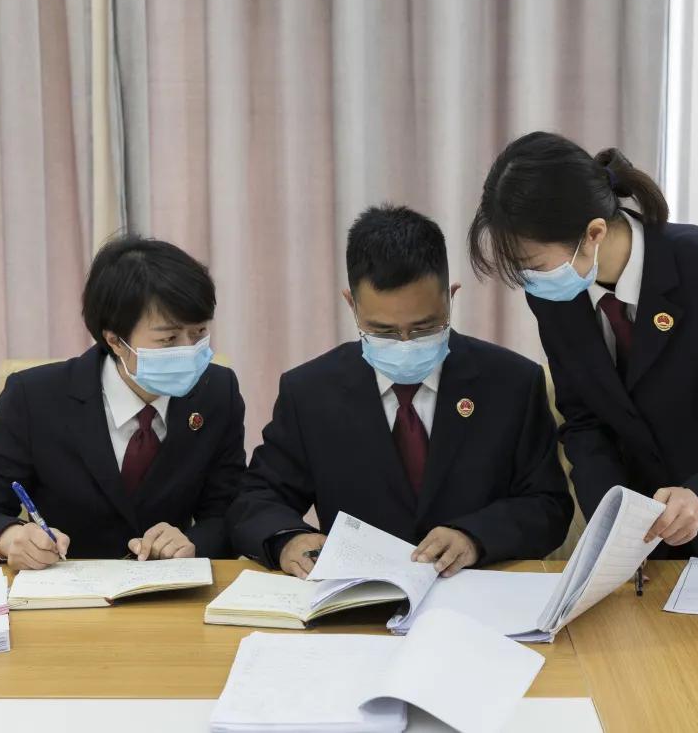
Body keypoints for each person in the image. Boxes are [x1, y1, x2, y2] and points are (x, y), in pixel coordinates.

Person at [467, 132, 698, 559]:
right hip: (656, 539)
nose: (529, 282)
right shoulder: (556, 296)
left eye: (532, 265)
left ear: (594, 232)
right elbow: (583, 419)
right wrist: (613, 517)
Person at [229, 205, 573, 578]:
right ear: (352, 305)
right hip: (360, 598)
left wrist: (474, 537)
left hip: (476, 591)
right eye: (384, 331)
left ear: (450, 297)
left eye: (424, 328)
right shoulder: (309, 393)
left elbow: (548, 506)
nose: (406, 344)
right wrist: (289, 540)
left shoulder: (512, 383)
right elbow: (257, 499)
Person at [0, 235, 246, 569]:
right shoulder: (34, 397)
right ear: (115, 340)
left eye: (199, 332)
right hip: (67, 588)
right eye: (169, 339)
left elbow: (230, 513)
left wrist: (193, 543)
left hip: (172, 591)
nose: (188, 350)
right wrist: (9, 538)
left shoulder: (217, 392)